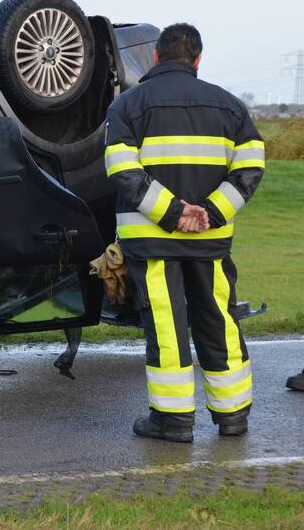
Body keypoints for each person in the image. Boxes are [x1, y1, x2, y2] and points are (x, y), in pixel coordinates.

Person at [104, 23, 264, 443]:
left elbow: (122, 169)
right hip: (209, 241)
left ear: (156, 57)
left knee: (167, 325)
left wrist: (173, 213)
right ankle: (233, 417)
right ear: (197, 59)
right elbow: (250, 168)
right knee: (219, 321)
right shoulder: (230, 107)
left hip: (153, 239)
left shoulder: (127, 105)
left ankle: (172, 422)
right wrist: (208, 212)